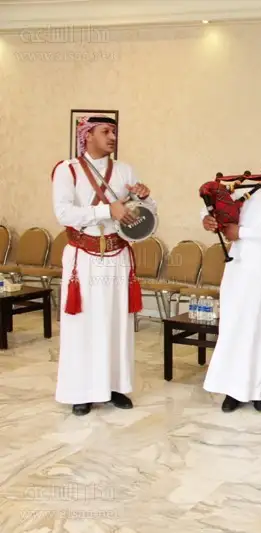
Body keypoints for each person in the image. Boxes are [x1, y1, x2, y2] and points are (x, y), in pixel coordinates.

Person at [51, 114, 156, 415]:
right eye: (106, 131)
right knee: (83, 323)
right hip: (83, 257)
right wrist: (106, 210)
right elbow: (63, 213)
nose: (112, 137)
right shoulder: (68, 170)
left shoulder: (124, 170)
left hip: (117, 255)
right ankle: (81, 392)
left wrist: (146, 199)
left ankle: (114, 386)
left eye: (114, 132)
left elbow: (141, 213)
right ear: (87, 135)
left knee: (115, 321)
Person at [201, 154, 261, 413]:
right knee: (234, 329)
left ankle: (259, 392)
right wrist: (207, 219)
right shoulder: (246, 193)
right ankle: (232, 391)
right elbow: (213, 206)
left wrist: (240, 232)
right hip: (238, 271)